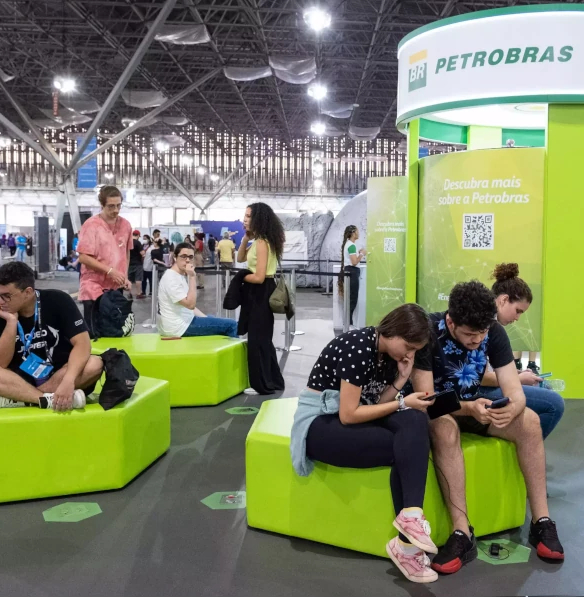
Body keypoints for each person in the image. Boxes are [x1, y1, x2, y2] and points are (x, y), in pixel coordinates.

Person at [409, 280, 564, 573]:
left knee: (529, 420)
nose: (478, 340)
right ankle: (461, 533)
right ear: (451, 321)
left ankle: (541, 521)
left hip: (474, 406)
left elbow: (514, 391)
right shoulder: (428, 331)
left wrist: (512, 410)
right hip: (439, 410)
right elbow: (428, 399)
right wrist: (469, 408)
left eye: (482, 333)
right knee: (444, 427)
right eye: (470, 334)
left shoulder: (494, 332)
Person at [291, 304, 438, 583]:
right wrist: (403, 401)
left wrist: (402, 380)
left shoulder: (388, 355)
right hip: (321, 423)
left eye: (414, 350)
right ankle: (406, 545)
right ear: (392, 331)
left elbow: (376, 404)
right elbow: (349, 415)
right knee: (404, 443)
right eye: (407, 346)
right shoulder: (359, 347)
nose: (409, 354)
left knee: (415, 423)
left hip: (350, 418)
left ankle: (410, 519)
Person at [0, 262, 103, 411]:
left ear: (28, 292)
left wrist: (69, 381)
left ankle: (21, 398)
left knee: (95, 364)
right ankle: (45, 399)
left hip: (58, 374)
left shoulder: (58, 300)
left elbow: (83, 344)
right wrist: (11, 322)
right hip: (17, 378)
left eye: (6, 296)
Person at [480, 263, 564, 439]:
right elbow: (476, 377)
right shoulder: (484, 325)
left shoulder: (493, 326)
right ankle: (525, 446)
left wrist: (516, 373)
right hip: (474, 391)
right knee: (554, 403)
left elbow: (488, 368)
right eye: (517, 311)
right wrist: (517, 379)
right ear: (503, 300)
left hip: (483, 385)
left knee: (547, 391)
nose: (517, 318)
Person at [236, 202, 285, 395]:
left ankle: (262, 385)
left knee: (258, 340)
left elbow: (259, 276)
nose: (245, 219)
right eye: (245, 215)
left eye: (248, 216)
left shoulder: (263, 243)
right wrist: (244, 240)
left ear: (258, 218)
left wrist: (240, 277)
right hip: (259, 292)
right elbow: (240, 259)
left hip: (261, 291)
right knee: (262, 339)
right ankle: (271, 380)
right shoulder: (259, 241)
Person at [76, 186, 132, 337]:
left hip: (115, 288)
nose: (115, 210)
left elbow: (125, 253)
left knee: (116, 331)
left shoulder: (126, 225)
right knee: (95, 334)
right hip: (93, 288)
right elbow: (83, 257)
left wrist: (124, 276)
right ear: (102, 205)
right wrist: (109, 271)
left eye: (118, 205)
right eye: (111, 206)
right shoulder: (91, 225)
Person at [158, 243, 238, 338]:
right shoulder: (171, 278)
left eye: (190, 257)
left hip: (184, 321)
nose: (187, 260)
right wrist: (192, 277)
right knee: (232, 325)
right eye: (183, 256)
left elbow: (189, 308)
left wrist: (206, 318)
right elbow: (190, 305)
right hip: (179, 327)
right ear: (175, 257)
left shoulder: (178, 275)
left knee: (212, 318)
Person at [338, 225, 367, 328]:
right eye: (357, 231)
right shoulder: (351, 246)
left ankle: (347, 321)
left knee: (350, 298)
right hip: (352, 272)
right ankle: (348, 323)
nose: (359, 233)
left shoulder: (349, 245)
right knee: (352, 298)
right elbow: (354, 262)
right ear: (353, 233)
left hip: (350, 271)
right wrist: (362, 254)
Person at [128, 230, 146, 300]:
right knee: (138, 279)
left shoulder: (128, 242)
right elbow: (142, 253)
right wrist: (144, 251)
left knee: (129, 279)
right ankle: (138, 293)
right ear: (138, 235)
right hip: (137, 263)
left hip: (129, 263)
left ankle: (130, 294)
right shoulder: (138, 243)